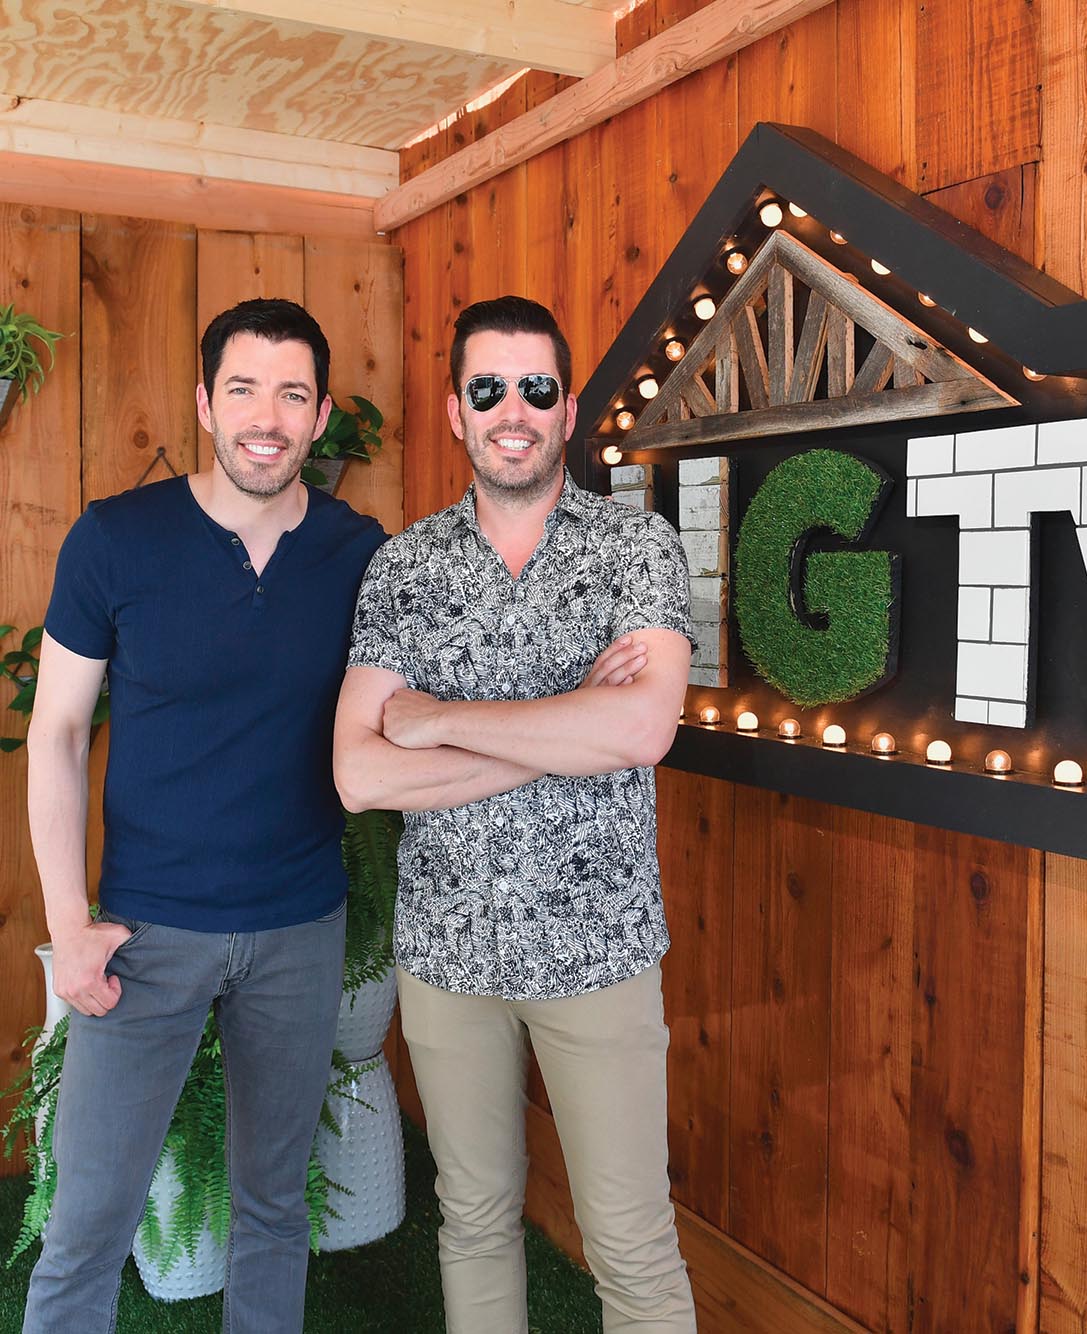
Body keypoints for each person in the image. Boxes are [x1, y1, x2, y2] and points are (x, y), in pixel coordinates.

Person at [333, 295, 698, 1332]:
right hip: (446, 954)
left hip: (600, 950)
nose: (512, 409)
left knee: (630, 1242)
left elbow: (637, 733)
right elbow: (359, 773)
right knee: (474, 1217)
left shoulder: (636, 547)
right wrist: (562, 721)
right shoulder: (404, 568)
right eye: (487, 388)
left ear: (567, 407)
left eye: (535, 387)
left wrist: (440, 719)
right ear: (456, 410)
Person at [22, 298, 386, 1333]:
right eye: (242, 388)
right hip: (144, 933)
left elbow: (424, 687)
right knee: (89, 1216)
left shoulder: (359, 553)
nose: (264, 415)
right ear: (204, 402)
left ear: (318, 416)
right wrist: (68, 927)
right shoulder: (114, 540)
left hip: (301, 927)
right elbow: (55, 736)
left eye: (291, 392)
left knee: (274, 1208)